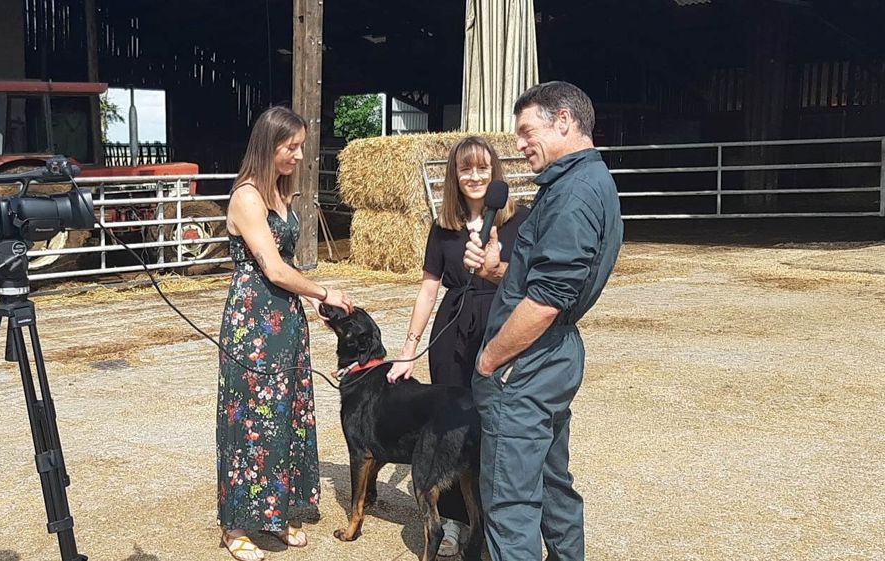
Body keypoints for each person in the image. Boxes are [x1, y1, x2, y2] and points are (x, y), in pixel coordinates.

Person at [464, 82, 623, 561]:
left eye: (526, 131)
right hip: (552, 354)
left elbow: (548, 300)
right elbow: (550, 281)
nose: (519, 144)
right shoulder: (586, 182)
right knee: (553, 484)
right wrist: (499, 272)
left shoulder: (573, 195)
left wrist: (490, 360)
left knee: (509, 502)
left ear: (564, 121)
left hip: (527, 361)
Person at [216, 106, 354, 561]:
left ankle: (273, 514)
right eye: (290, 147)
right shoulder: (247, 196)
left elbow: (286, 264)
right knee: (250, 419)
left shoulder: (279, 191)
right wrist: (324, 291)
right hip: (254, 321)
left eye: (300, 147)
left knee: (284, 415)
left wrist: (310, 300)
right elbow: (272, 269)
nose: (298, 155)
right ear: (267, 144)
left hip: (285, 318)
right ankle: (236, 524)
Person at [387, 135, 528, 556]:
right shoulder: (443, 228)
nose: (475, 176)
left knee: (494, 423)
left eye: (483, 168)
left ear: (495, 172)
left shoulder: (520, 220)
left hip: (500, 324)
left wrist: (495, 268)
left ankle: (493, 522)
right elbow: (428, 290)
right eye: (466, 169)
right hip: (452, 330)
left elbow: (530, 280)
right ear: (454, 176)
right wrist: (409, 349)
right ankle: (451, 521)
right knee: (449, 427)